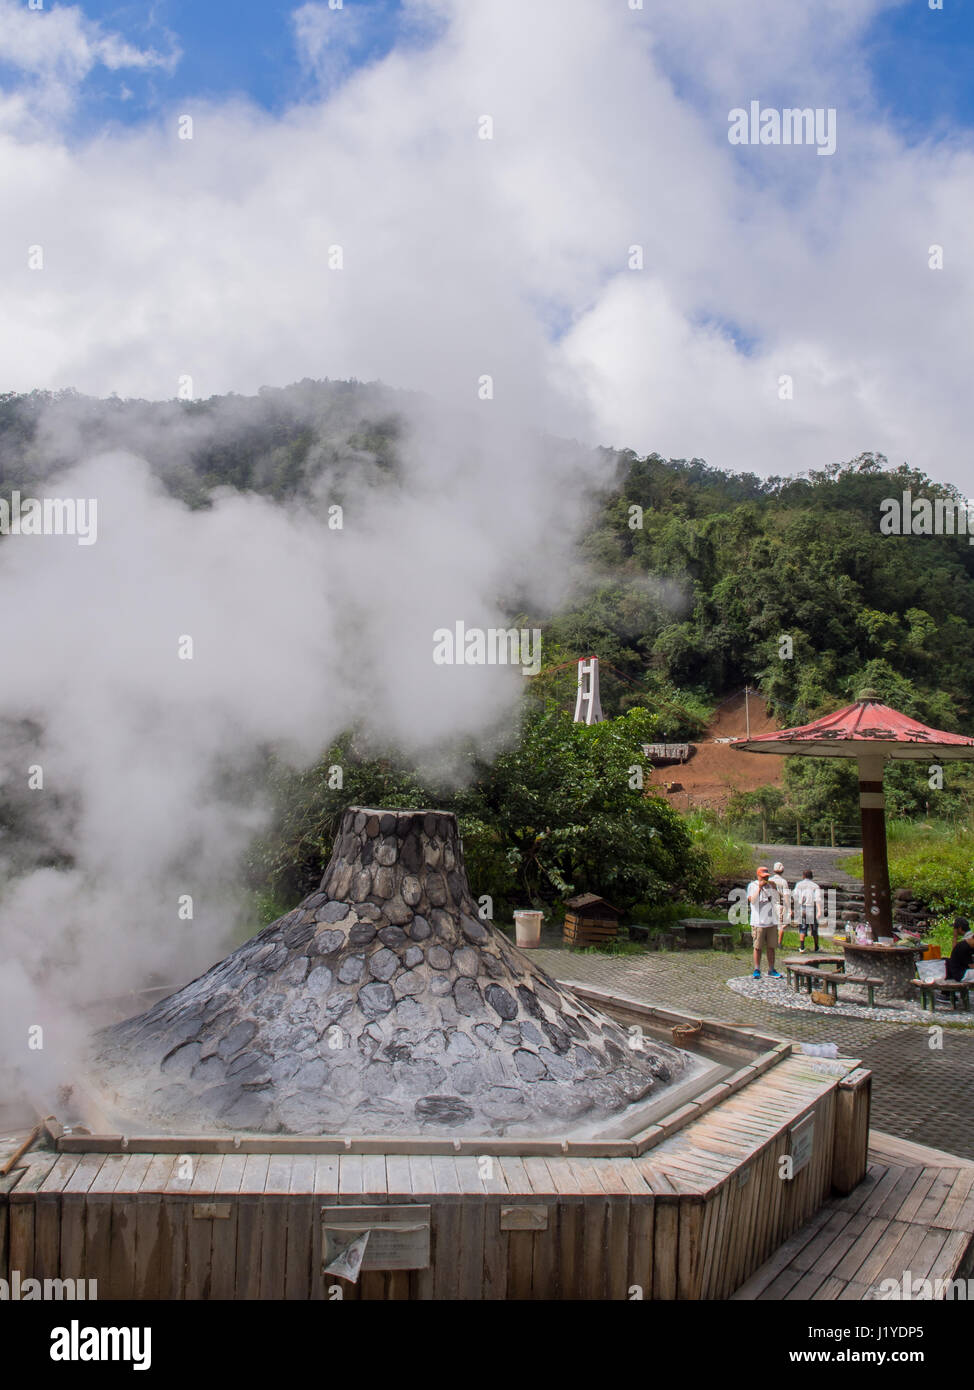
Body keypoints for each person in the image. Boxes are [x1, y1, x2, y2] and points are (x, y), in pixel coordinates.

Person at [747, 865, 782, 980]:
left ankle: (771, 969)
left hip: (771, 921)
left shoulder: (771, 885)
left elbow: (777, 899)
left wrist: (774, 888)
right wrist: (759, 888)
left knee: (771, 947)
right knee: (758, 947)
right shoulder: (752, 886)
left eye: (766, 877)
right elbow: (752, 901)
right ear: (758, 876)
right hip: (758, 922)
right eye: (763, 877)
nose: (765, 879)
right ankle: (757, 969)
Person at [792, 869, 824, 953]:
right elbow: (817, 899)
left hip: (802, 907)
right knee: (814, 928)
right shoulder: (815, 886)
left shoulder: (799, 885)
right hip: (812, 907)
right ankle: (816, 946)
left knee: (802, 927)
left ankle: (802, 947)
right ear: (812, 876)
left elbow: (795, 896)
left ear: (803, 876)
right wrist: (819, 911)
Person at [946, 918, 974, 982]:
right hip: (962, 973)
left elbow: (954, 950)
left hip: (965, 970)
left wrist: (955, 937)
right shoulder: (965, 945)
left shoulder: (967, 941)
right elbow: (970, 965)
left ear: (960, 928)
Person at [771, 861, 792, 947]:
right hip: (779, 904)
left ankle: (770, 942)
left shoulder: (769, 880)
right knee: (780, 925)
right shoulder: (783, 882)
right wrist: (789, 908)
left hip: (770, 905)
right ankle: (779, 943)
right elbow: (786, 895)